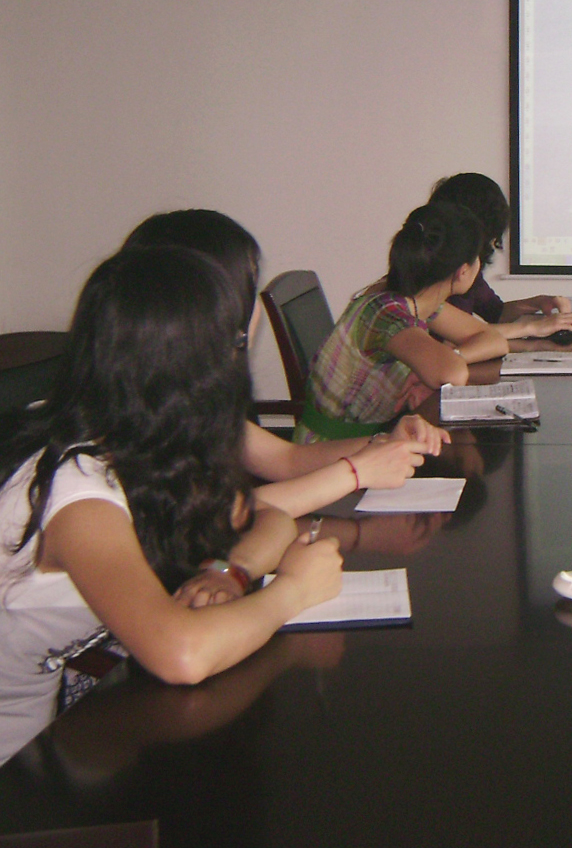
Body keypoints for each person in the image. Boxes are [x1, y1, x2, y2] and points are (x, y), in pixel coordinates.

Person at [0, 247, 342, 686]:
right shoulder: (76, 491)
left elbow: (266, 516)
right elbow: (182, 655)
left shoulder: (145, 446)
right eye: (234, 342)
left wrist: (230, 573)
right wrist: (294, 590)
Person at [121, 209, 447, 521]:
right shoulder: (148, 413)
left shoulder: (199, 390)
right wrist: (355, 472)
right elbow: (223, 519)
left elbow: (287, 459)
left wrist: (384, 442)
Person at [295, 201, 509, 443]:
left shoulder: (419, 300)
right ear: (463, 271)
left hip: (373, 440)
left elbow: (494, 340)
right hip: (329, 450)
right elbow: (453, 373)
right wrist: (442, 364)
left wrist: (451, 356)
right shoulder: (385, 313)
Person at [429, 173, 572, 339]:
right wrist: (532, 327)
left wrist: (537, 303)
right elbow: (456, 337)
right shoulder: (431, 272)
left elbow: (496, 312)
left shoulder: (467, 263)